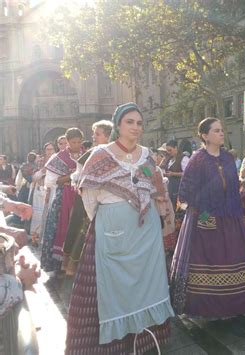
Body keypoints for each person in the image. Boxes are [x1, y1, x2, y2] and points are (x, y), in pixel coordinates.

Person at [66, 103, 174, 354]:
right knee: (107, 287)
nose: (136, 127)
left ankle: (144, 339)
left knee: (146, 282)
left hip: (145, 230)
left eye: (139, 123)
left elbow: (150, 183)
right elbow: (89, 196)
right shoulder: (101, 154)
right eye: (130, 122)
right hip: (111, 228)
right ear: (118, 124)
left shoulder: (147, 155)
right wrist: (109, 221)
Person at [169, 117, 245, 319]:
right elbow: (185, 193)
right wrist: (204, 214)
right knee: (209, 260)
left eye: (221, 130)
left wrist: (236, 211)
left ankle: (232, 306)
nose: (221, 133)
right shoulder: (197, 159)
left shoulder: (227, 158)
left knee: (233, 258)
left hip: (230, 217)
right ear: (205, 135)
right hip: (204, 218)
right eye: (216, 130)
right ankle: (207, 308)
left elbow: (234, 188)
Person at [62, 120, 113, 276]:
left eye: (97, 134)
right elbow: (77, 175)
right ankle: (76, 266)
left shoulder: (114, 152)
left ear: (108, 135)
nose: (93, 137)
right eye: (93, 133)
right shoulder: (91, 153)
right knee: (80, 227)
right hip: (86, 198)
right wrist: (80, 182)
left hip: (106, 200)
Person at [40, 128, 83, 272]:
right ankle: (60, 265)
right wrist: (71, 176)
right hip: (63, 197)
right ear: (68, 141)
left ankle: (78, 263)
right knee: (61, 225)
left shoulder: (87, 155)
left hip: (82, 197)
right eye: (73, 142)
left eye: (79, 142)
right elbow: (52, 181)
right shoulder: (59, 157)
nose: (76, 144)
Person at [28, 142, 56, 245]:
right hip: (40, 190)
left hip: (52, 190)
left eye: (51, 149)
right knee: (38, 215)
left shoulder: (57, 160)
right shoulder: (40, 161)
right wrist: (43, 171)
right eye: (47, 149)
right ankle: (35, 238)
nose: (49, 151)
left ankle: (47, 239)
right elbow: (33, 177)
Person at [162, 139, 190, 210]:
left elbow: (188, 173)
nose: (168, 152)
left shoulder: (184, 158)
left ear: (175, 148)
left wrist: (173, 174)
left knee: (180, 209)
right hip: (170, 187)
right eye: (167, 150)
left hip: (180, 187)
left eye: (170, 150)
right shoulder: (169, 159)